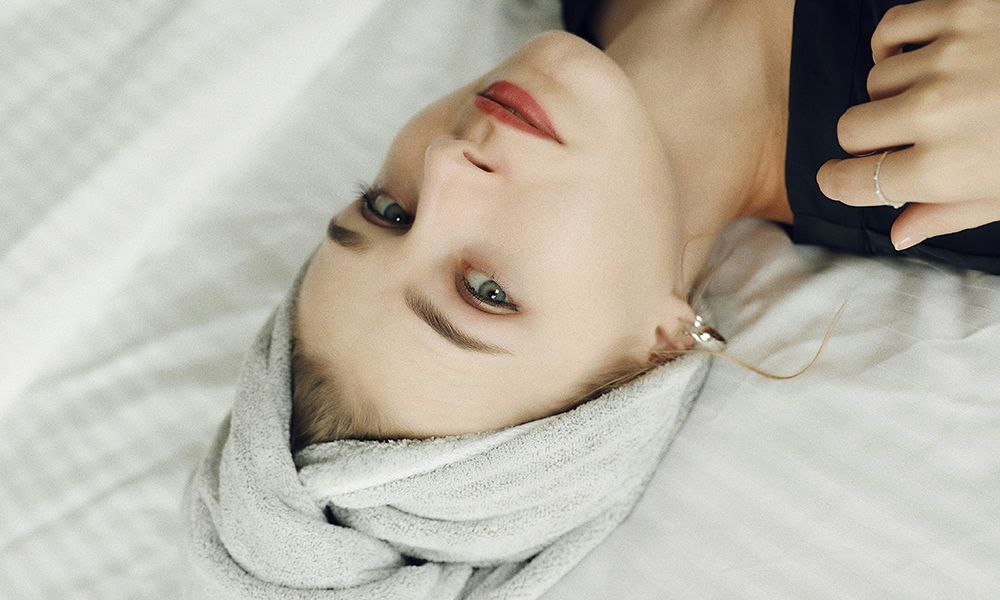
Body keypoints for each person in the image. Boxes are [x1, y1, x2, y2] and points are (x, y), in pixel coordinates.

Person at [291, 0, 1000, 450]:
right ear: (657, 347)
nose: (448, 166)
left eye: (388, 210)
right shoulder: (956, 161)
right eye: (485, 289)